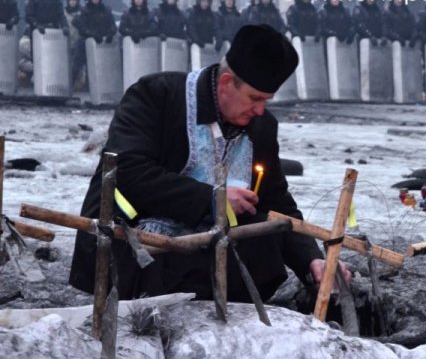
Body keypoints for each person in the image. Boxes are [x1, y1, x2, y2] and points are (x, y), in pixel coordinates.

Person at [69, 24, 350, 301]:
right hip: (134, 238)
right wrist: (212, 198)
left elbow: (275, 203)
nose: (260, 110)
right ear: (227, 83)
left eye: (267, 100)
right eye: (254, 98)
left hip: (209, 249)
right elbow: (126, 171)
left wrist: (311, 260)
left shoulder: (261, 126)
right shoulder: (156, 95)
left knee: (264, 239)